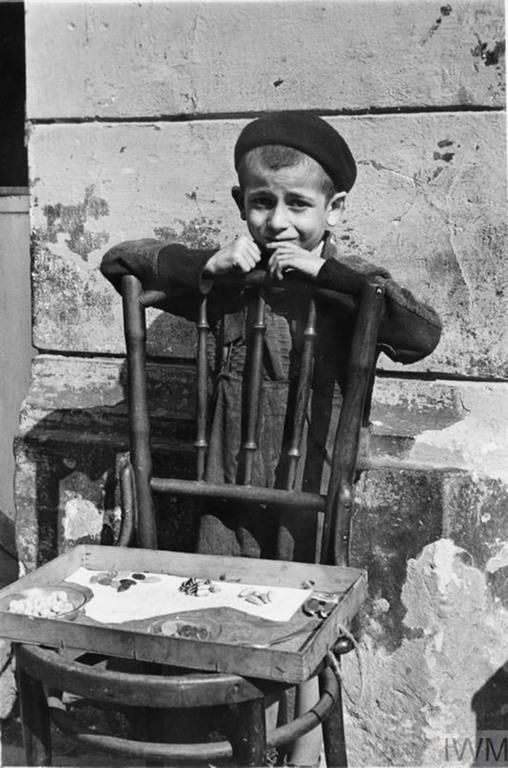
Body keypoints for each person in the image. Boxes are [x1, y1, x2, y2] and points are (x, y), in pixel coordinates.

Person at [101, 111, 441, 764]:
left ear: (333, 209)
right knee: (213, 643)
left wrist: (330, 278)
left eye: (298, 204)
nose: (279, 221)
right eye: (262, 202)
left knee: (299, 658)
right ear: (241, 204)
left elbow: (421, 334)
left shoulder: (349, 289)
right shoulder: (228, 284)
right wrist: (209, 261)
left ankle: (299, 756)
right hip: (222, 504)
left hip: (306, 512)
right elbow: (120, 264)